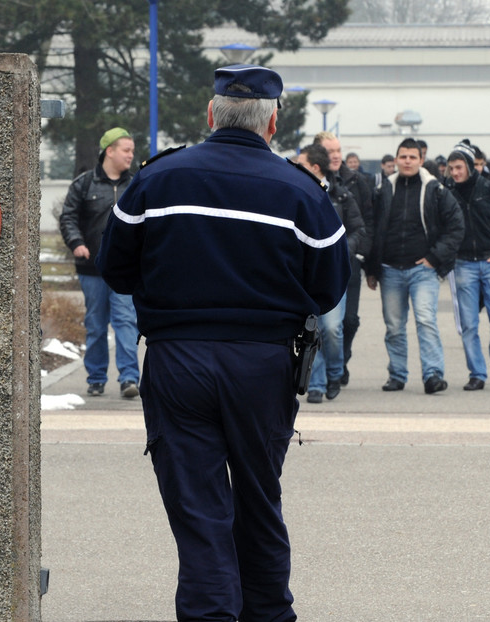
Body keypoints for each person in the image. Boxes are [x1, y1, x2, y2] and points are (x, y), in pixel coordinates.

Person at [95, 64, 350, 622]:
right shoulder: (300, 191)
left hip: (178, 359)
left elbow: (115, 267)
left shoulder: (157, 179)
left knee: (198, 511)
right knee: (259, 502)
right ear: (273, 122)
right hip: (262, 365)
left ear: (211, 115)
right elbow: (329, 289)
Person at [365, 137, 464, 394]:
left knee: (425, 320)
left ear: (421, 160)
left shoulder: (436, 190)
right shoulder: (383, 189)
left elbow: (456, 227)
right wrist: (372, 269)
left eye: (412, 157)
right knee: (394, 326)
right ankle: (397, 375)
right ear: (395, 160)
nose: (407, 161)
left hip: (424, 270)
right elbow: (372, 229)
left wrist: (434, 257)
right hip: (389, 270)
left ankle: (433, 375)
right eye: (403, 156)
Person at [59, 127, 141, 398]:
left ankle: (129, 378)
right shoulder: (83, 184)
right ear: (110, 151)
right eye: (126, 150)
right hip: (91, 268)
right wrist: (76, 243)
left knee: (126, 321)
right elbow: (68, 217)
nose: (131, 155)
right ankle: (96, 378)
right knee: (95, 324)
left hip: (126, 269)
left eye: (131, 150)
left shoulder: (137, 184)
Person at [445, 142, 490, 390]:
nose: (455, 172)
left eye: (459, 167)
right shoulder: (446, 194)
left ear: (469, 166)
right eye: (451, 168)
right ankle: (477, 372)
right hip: (463, 264)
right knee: (468, 324)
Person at [297, 143, 365, 403]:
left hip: (334, 272)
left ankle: (335, 372)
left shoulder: (341, 195)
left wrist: (340, 252)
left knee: (333, 329)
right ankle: (315, 383)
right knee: (310, 329)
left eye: (300, 164)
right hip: (305, 276)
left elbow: (359, 230)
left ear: (314, 168)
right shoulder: (295, 194)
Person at [313, 132, 374, 387]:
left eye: (338, 150)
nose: (337, 155)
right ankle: (326, 374)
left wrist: (366, 259)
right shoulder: (310, 182)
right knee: (326, 326)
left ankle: (340, 361)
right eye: (330, 151)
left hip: (350, 261)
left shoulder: (356, 182)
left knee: (348, 321)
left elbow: (367, 223)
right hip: (320, 268)